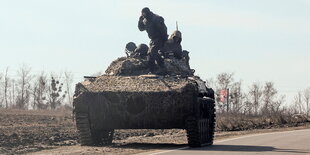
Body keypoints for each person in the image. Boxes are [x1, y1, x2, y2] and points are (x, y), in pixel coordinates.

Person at [138, 7, 168, 72]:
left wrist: (164, 39)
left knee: (153, 51)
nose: (143, 15)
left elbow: (163, 29)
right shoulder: (145, 20)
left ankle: (162, 66)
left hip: (160, 38)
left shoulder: (156, 18)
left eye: (144, 14)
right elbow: (141, 29)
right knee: (149, 54)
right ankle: (152, 70)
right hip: (153, 39)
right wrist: (140, 21)